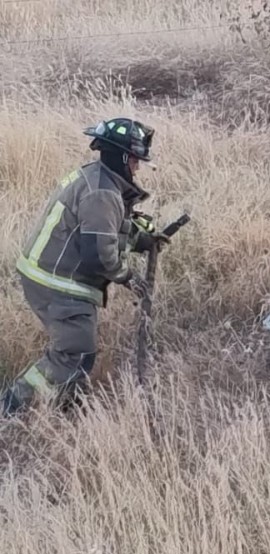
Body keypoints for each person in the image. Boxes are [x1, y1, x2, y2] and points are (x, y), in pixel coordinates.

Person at [0, 118, 167, 417]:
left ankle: (67, 405)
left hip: (50, 274)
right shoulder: (102, 194)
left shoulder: (98, 179)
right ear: (124, 158)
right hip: (58, 283)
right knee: (75, 354)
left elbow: (105, 230)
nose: (138, 168)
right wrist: (128, 277)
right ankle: (11, 407)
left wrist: (141, 239)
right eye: (136, 161)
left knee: (78, 353)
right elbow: (98, 256)